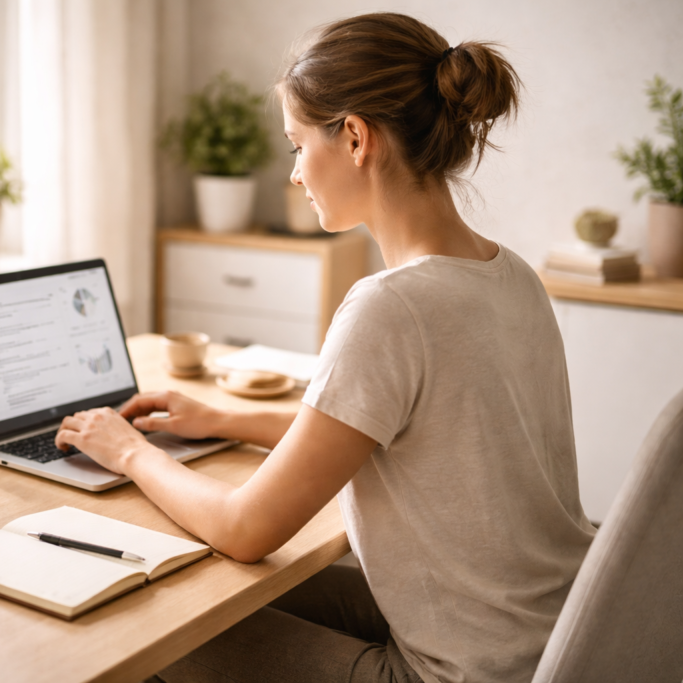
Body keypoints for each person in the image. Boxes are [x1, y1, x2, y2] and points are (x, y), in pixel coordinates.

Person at [55, 12, 596, 683]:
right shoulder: (514, 276)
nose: (294, 175)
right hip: (557, 640)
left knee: (158, 621)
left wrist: (127, 449)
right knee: (215, 593)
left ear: (356, 138)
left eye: (295, 146)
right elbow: (416, 430)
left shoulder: (391, 307)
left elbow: (244, 528)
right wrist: (224, 418)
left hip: (457, 670)